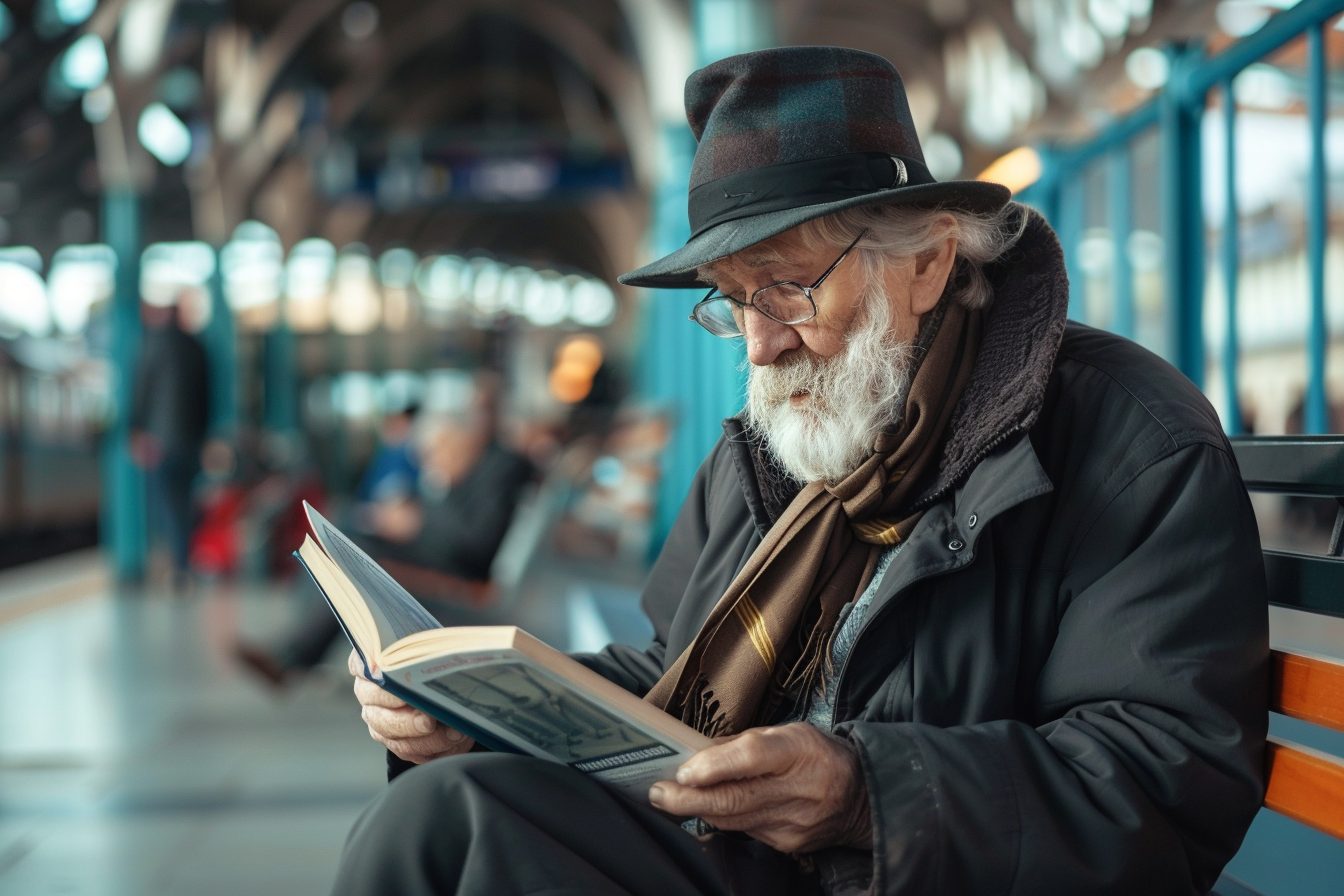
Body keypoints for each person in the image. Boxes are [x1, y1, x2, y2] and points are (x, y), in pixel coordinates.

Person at [337, 47, 1268, 896]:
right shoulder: (782, 440)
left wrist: (867, 795)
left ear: (930, 260)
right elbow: (674, 668)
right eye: (734, 300)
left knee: (457, 829)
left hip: (906, 871)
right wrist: (477, 715)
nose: (762, 342)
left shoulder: (1128, 442)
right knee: (445, 808)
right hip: (747, 853)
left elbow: (1165, 778)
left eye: (788, 285)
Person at [238, 396, 533, 685]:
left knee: (353, 556)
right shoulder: (472, 468)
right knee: (342, 538)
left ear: (459, 439)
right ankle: (294, 647)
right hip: (438, 553)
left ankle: (292, 655)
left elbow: (476, 543)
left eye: (435, 452)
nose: (432, 462)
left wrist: (415, 522)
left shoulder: (502, 466)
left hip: (461, 570)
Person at [130, 298, 211, 586]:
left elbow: (142, 389)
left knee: (169, 505)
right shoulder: (198, 348)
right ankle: (185, 561)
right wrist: (202, 438)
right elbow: (207, 399)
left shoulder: (154, 345)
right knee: (186, 503)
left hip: (160, 442)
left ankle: (179, 566)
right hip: (191, 442)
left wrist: (136, 430)